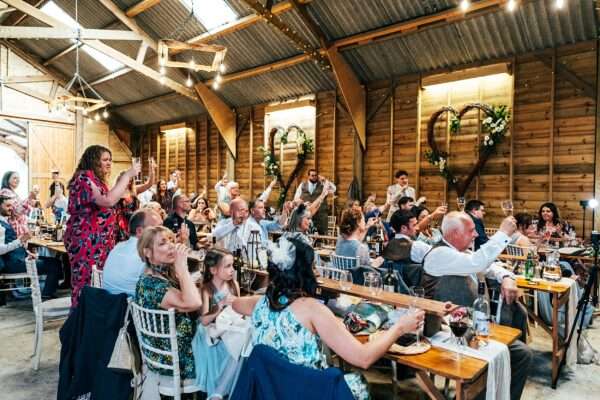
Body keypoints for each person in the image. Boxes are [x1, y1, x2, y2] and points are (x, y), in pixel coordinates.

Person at [232, 236, 425, 400]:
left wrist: (225, 294)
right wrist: (400, 327)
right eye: (313, 267)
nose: (315, 272)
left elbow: (234, 303)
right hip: (310, 391)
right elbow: (363, 358)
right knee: (359, 382)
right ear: (304, 272)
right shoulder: (313, 310)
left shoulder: (258, 304)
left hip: (274, 390)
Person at [421, 212, 532, 400]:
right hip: (446, 331)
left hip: (473, 328)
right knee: (509, 356)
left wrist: (506, 277)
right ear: (455, 234)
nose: (476, 235)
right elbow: (477, 262)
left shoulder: (462, 252)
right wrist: (503, 233)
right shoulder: (438, 254)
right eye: (471, 231)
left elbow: (489, 266)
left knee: (522, 354)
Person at [64, 145, 141, 307]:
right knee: (86, 284)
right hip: (86, 242)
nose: (109, 163)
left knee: (97, 283)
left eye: (110, 160)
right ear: (93, 160)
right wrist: (126, 176)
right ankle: (80, 324)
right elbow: (107, 201)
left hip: (98, 242)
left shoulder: (96, 181)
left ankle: (93, 321)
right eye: (105, 160)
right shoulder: (84, 178)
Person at [135, 226, 202, 381]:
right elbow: (194, 302)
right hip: (176, 358)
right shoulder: (153, 285)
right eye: (163, 243)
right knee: (236, 349)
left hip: (167, 350)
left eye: (172, 240)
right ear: (147, 252)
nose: (172, 245)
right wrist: (182, 268)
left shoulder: (154, 275)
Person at [194, 248, 241, 398]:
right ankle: (217, 390)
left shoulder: (234, 285)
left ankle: (225, 391)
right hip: (209, 333)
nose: (232, 270)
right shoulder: (206, 289)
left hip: (227, 328)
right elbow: (204, 320)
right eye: (227, 266)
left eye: (232, 266)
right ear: (213, 269)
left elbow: (238, 311)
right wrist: (220, 305)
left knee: (240, 344)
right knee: (228, 348)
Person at [0, 196, 60, 299]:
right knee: (54, 264)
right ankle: (46, 296)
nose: (11, 208)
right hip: (12, 264)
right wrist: (21, 240)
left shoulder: (5, 222)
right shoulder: (1, 226)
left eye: (11, 205)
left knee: (54, 261)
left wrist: (28, 254)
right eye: (8, 206)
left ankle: (47, 293)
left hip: (17, 259)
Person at [103, 209, 162, 296]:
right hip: (129, 307)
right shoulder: (147, 252)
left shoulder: (118, 247)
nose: (164, 232)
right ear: (139, 231)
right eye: (158, 228)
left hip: (106, 304)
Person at [114, 160, 155, 243]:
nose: (128, 182)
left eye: (130, 179)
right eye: (126, 179)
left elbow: (149, 184)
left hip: (134, 221)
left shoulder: (134, 190)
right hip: (121, 222)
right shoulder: (116, 191)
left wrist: (152, 170)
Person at [293, 169, 336, 235]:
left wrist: (325, 180)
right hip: (307, 216)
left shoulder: (323, 184)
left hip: (321, 216)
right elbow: (296, 198)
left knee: (322, 236)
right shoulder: (302, 185)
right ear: (308, 176)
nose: (314, 177)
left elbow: (333, 189)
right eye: (312, 175)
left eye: (316, 175)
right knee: (307, 235)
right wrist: (303, 204)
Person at [0, 171, 32, 236]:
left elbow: (25, 210)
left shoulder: (13, 193)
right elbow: (16, 211)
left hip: (19, 229)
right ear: (7, 179)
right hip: (13, 229)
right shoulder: (5, 192)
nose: (17, 180)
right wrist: (30, 198)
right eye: (14, 178)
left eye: (18, 178)